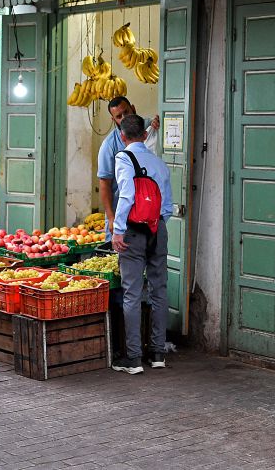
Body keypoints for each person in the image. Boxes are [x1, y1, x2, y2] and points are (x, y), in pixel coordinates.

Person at [110, 114, 173, 375]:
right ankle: (158, 353)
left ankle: (133, 358)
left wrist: (118, 231)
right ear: (145, 135)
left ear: (123, 136)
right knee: (159, 290)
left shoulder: (124, 158)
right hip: (158, 229)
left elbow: (126, 195)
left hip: (133, 233)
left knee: (132, 293)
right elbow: (167, 205)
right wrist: (155, 223)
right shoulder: (159, 163)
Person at [97, 96, 159, 241]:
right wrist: (112, 218)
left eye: (126, 112)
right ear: (114, 120)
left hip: (148, 214)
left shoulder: (149, 127)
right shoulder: (109, 146)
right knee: (117, 259)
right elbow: (104, 183)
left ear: (133, 109)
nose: (124, 118)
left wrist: (160, 121)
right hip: (121, 215)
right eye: (119, 116)